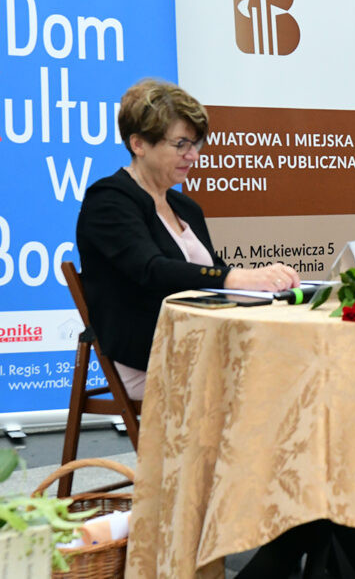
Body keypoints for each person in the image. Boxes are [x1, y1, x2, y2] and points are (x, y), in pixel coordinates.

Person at [76, 80, 300, 400]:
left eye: (195, 144)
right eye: (180, 144)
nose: (192, 155)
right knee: (279, 379)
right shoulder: (109, 200)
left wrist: (268, 285)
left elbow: (215, 274)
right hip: (149, 356)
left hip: (203, 344)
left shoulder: (185, 207)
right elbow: (151, 270)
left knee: (295, 362)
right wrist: (238, 278)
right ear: (138, 144)